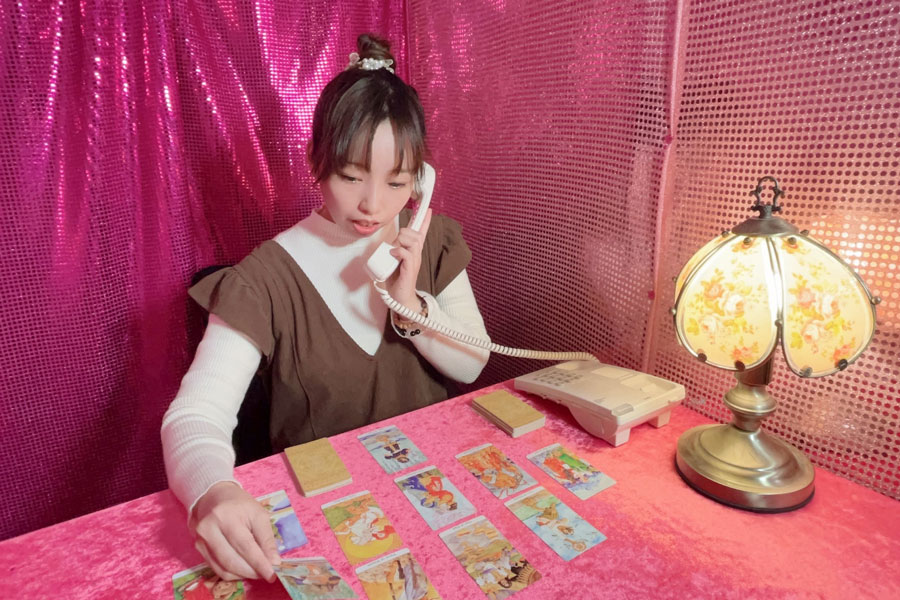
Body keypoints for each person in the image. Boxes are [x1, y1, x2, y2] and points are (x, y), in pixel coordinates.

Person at [161, 33, 490, 583]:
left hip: (437, 502)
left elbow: (473, 364)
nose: (373, 205)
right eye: (351, 176)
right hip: (333, 525)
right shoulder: (263, 279)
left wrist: (410, 305)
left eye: (397, 182)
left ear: (420, 181)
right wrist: (212, 492)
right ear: (318, 160)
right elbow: (196, 414)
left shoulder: (431, 239)